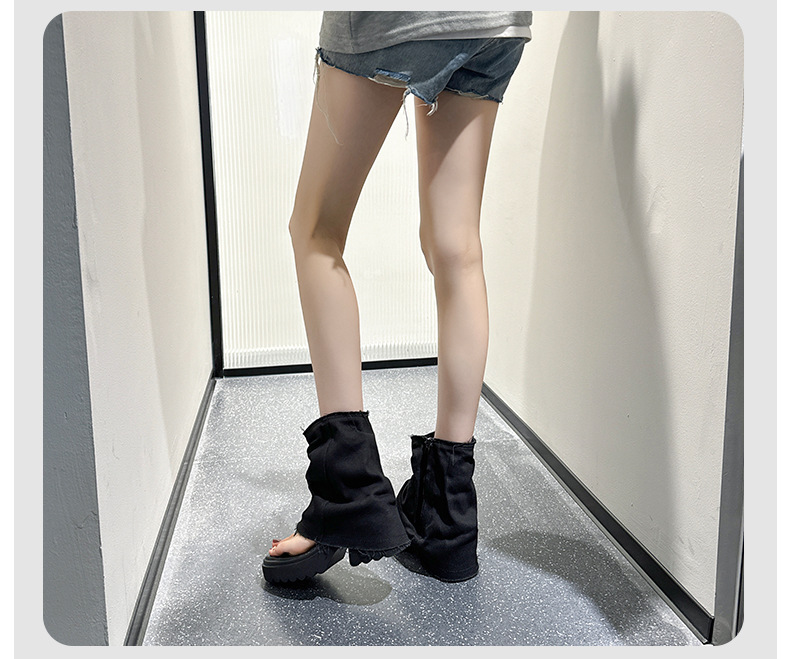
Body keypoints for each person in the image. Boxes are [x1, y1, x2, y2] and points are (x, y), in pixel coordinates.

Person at [262, 10, 532, 585]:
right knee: (456, 249)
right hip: (494, 22)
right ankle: (447, 520)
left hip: (391, 18)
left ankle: (349, 494)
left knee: (315, 231)